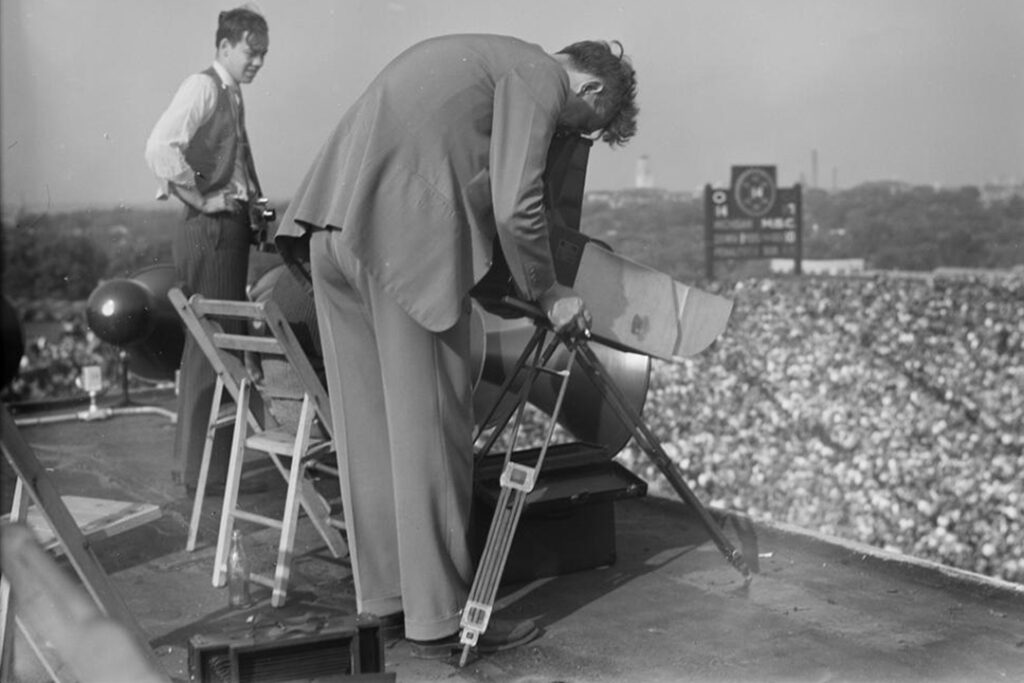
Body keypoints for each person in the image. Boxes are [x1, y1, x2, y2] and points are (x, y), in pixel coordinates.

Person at [275, 33, 638, 659]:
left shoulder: (487, 59)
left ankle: (389, 602)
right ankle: (443, 617)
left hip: (330, 232)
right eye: (589, 127)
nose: (576, 137)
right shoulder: (539, 78)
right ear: (592, 88)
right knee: (433, 434)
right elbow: (516, 202)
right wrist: (549, 291)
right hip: (402, 241)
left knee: (373, 433)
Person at [145, 7, 269, 497]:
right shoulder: (203, 87)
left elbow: (230, 162)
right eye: (250, 50)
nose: (257, 61)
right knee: (216, 345)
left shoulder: (231, 94)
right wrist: (200, 197)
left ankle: (203, 469)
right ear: (223, 47)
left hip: (228, 227)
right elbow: (159, 147)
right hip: (211, 228)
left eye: (263, 54)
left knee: (217, 344)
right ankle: (204, 475)